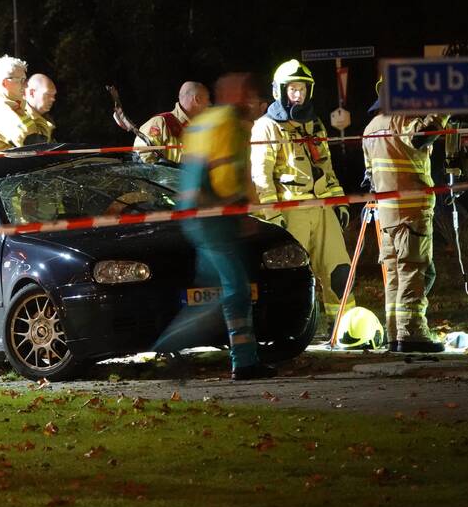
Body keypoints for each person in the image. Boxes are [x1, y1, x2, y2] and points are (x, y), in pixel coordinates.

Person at [174, 73, 276, 380]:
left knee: (216, 291)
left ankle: (236, 357)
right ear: (231, 94)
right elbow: (226, 176)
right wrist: (242, 209)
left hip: (201, 216)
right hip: (212, 218)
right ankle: (242, 362)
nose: (250, 99)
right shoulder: (228, 125)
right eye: (246, 93)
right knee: (236, 289)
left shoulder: (207, 121)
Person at [250, 59, 354, 327]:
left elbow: (325, 167)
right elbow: (262, 176)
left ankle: (345, 326)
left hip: (321, 208)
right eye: (292, 90)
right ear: (280, 91)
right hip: (290, 212)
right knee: (291, 274)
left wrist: (339, 202)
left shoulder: (314, 124)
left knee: (339, 269)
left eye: (302, 90)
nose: (298, 95)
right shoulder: (267, 126)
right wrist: (272, 218)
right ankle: (292, 327)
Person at [363, 83, 450, 353]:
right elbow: (421, 136)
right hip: (412, 210)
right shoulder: (403, 119)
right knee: (414, 270)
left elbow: (369, 177)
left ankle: (394, 333)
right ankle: (412, 332)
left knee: (394, 275)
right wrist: (442, 111)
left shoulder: (370, 128)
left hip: (387, 213)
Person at [134, 81, 211, 163]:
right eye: (207, 99)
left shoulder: (203, 127)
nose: (209, 104)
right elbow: (142, 156)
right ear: (197, 99)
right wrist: (166, 173)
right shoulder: (161, 122)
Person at [20, 73, 57, 144]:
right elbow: (33, 147)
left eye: (54, 95)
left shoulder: (46, 118)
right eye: (48, 94)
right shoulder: (19, 115)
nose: (53, 99)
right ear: (32, 93)